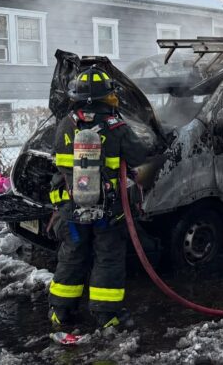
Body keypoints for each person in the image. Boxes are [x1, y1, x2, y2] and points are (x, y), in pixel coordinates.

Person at [47, 65, 147, 329]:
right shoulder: (116, 126)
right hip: (108, 210)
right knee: (108, 256)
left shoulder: (65, 123)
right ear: (108, 96)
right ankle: (106, 315)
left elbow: (56, 160)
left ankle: (60, 311)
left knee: (71, 254)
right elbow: (138, 156)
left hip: (70, 208)